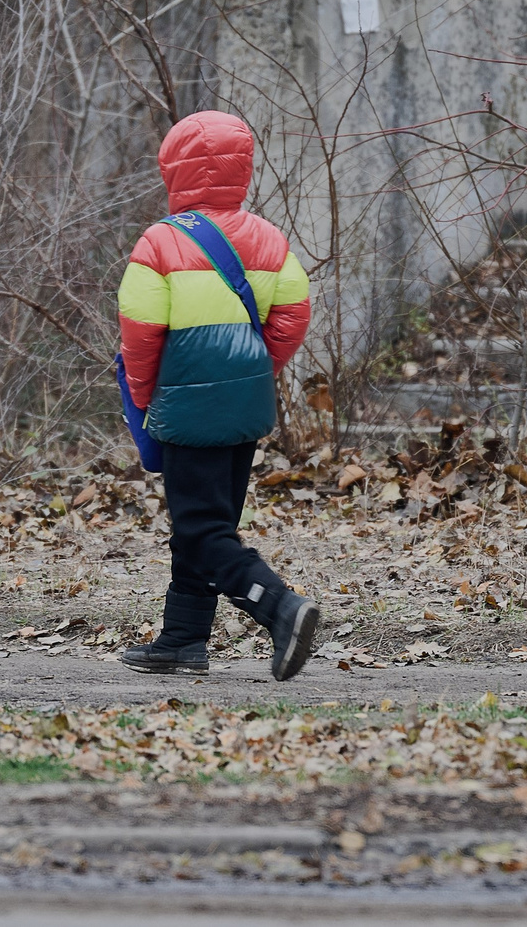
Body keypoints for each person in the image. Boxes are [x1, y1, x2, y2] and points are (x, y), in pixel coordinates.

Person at [113, 110, 321, 679]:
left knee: (201, 529)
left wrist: (143, 396)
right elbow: (294, 313)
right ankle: (182, 640)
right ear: (242, 168)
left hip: (188, 403)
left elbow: (140, 331)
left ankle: (280, 607)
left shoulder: (161, 242)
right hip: (244, 404)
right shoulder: (269, 239)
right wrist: (253, 367)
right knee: (207, 521)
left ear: (174, 168)